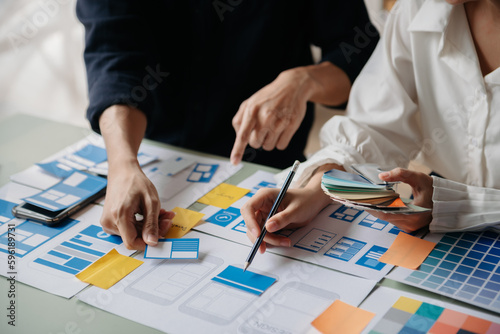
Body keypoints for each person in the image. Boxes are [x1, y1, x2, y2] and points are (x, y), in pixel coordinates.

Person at [75, 1, 379, 250]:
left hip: (270, 166)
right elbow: (114, 58)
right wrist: (123, 163)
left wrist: (305, 80)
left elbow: (360, 55)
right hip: (156, 152)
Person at [242, 0, 500, 254]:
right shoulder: (418, 8)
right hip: (443, 233)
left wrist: (455, 206)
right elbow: (374, 126)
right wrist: (317, 188)